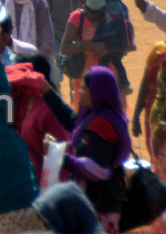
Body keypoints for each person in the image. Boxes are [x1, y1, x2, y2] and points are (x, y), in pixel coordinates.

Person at [65, 66, 130, 232]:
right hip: (94, 203)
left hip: (100, 207)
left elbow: (98, 170)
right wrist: (47, 93)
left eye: (84, 88)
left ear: (97, 91)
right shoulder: (94, 116)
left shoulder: (103, 124)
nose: (79, 91)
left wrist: (61, 158)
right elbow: (70, 120)